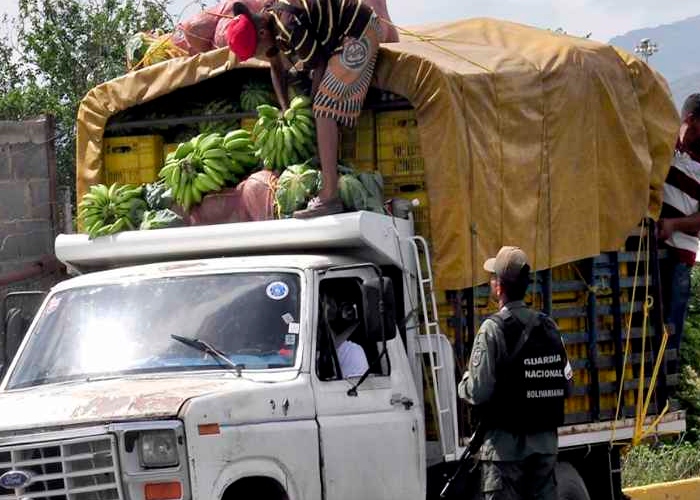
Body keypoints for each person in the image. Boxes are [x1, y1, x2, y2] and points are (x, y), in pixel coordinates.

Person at [226, 0, 382, 218]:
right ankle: (328, 173)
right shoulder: (268, 24)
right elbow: (275, 67)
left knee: (323, 107)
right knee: (316, 102)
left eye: (256, 52)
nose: (259, 55)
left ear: (261, 33)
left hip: (359, 32)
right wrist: (285, 108)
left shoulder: (289, 24)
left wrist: (309, 107)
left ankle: (330, 196)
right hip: (336, 40)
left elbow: (318, 65)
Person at [458, 246, 573, 500]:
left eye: (492, 278)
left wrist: (464, 384)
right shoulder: (549, 326)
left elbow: (478, 391)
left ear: (499, 287)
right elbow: (567, 384)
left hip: (505, 453)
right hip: (544, 449)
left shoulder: (492, 330)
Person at [656, 93, 700, 373]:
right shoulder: (665, 142)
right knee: (648, 327)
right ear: (691, 122)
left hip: (679, 258)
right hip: (651, 252)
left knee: (669, 331)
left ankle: (663, 392)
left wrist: (673, 225)